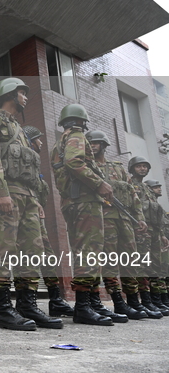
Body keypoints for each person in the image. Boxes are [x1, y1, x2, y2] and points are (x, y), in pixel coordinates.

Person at [0, 78, 62, 331]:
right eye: (21, 93)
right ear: (8, 94)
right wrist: (1, 192)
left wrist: (36, 200)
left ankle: (27, 305)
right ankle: (4, 310)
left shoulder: (20, 129)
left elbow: (29, 169)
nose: (26, 98)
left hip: (27, 195)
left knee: (33, 249)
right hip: (9, 192)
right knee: (6, 248)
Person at [50, 104, 114, 326]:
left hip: (72, 202)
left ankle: (90, 304)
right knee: (90, 251)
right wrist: (100, 183)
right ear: (82, 121)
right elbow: (74, 162)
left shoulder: (59, 142)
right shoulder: (76, 136)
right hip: (84, 201)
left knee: (83, 251)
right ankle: (84, 307)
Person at [86, 130, 147, 321]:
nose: (93, 146)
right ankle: (118, 302)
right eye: (90, 143)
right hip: (104, 219)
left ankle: (134, 301)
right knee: (110, 260)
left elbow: (133, 194)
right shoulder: (89, 168)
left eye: (96, 143)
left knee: (130, 259)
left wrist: (140, 218)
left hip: (125, 219)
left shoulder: (118, 168)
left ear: (104, 145)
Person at [22, 125, 74, 317]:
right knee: (30, 258)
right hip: (25, 215)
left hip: (36, 217)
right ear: (30, 140)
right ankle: (28, 302)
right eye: (38, 139)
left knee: (48, 257)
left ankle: (56, 300)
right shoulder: (23, 160)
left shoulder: (34, 163)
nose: (41, 142)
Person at [128, 157, 168, 317]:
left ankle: (156, 301)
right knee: (142, 266)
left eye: (145, 166)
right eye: (139, 166)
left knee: (155, 266)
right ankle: (145, 301)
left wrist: (162, 235)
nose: (142, 169)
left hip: (154, 232)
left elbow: (156, 213)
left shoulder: (147, 189)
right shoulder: (130, 185)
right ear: (132, 168)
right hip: (140, 232)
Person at [145, 179, 169, 309]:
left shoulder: (159, 207)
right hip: (148, 239)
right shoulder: (147, 204)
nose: (159, 189)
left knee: (162, 271)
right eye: (156, 187)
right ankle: (155, 300)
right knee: (152, 269)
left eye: (159, 187)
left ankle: (162, 300)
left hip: (160, 241)